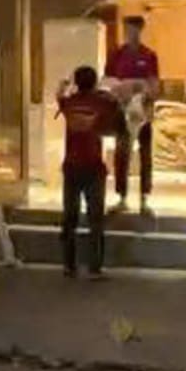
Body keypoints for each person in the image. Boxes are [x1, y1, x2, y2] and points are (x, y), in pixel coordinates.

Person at [56, 66, 119, 278]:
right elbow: (115, 108)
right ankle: (95, 267)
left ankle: (68, 264)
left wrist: (65, 84)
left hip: (71, 166)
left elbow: (59, 95)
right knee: (95, 219)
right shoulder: (101, 103)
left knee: (69, 217)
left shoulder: (69, 103)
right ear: (94, 83)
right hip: (93, 167)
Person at [106, 16, 160, 215]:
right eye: (127, 30)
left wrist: (142, 90)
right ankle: (122, 197)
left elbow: (153, 84)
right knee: (122, 154)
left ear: (140, 30)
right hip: (122, 110)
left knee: (145, 155)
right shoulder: (117, 55)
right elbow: (108, 80)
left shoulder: (149, 56)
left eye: (133, 30)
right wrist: (124, 89)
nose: (130, 34)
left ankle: (144, 199)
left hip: (142, 112)